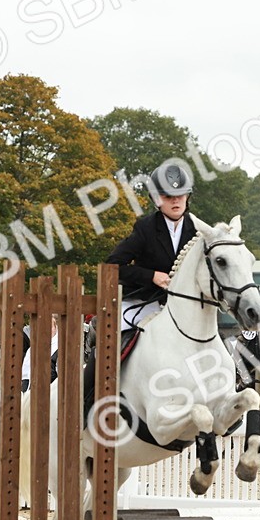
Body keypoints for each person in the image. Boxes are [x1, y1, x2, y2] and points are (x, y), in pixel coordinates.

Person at [85, 160, 197, 418]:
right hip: (144, 303)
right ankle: (86, 399)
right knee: (111, 343)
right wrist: (151, 276)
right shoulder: (145, 228)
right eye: (168, 196)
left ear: (187, 197)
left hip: (182, 307)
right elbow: (113, 265)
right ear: (157, 199)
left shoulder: (197, 229)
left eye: (180, 195)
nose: (175, 201)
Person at [21, 315, 58, 393]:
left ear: (55, 328)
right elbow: (25, 378)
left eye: (49, 327)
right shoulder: (31, 350)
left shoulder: (60, 348)